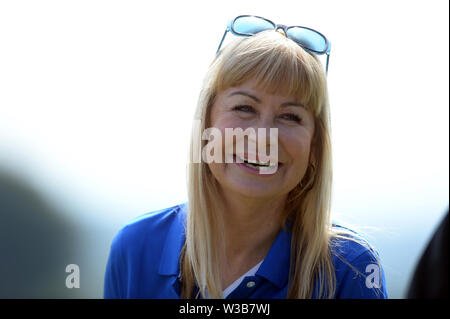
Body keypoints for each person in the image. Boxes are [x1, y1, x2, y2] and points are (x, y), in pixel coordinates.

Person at [104, 15, 388, 299]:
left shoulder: (351, 269)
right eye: (244, 108)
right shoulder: (135, 248)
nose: (263, 135)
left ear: (314, 146)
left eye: (290, 116)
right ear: (206, 124)